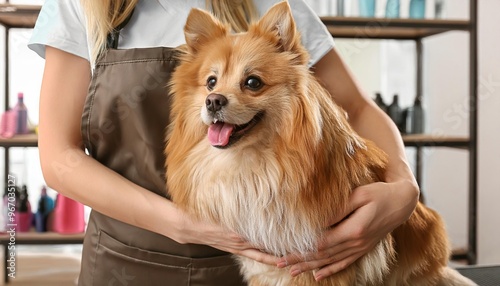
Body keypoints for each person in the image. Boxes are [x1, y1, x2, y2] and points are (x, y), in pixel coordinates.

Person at [29, 0, 419, 284]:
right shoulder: (82, 7)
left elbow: (356, 107)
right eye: (212, 83)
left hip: (268, 266)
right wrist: (183, 224)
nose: (217, 97)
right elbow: (59, 158)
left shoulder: (272, 7)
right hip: (126, 263)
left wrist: (404, 185)